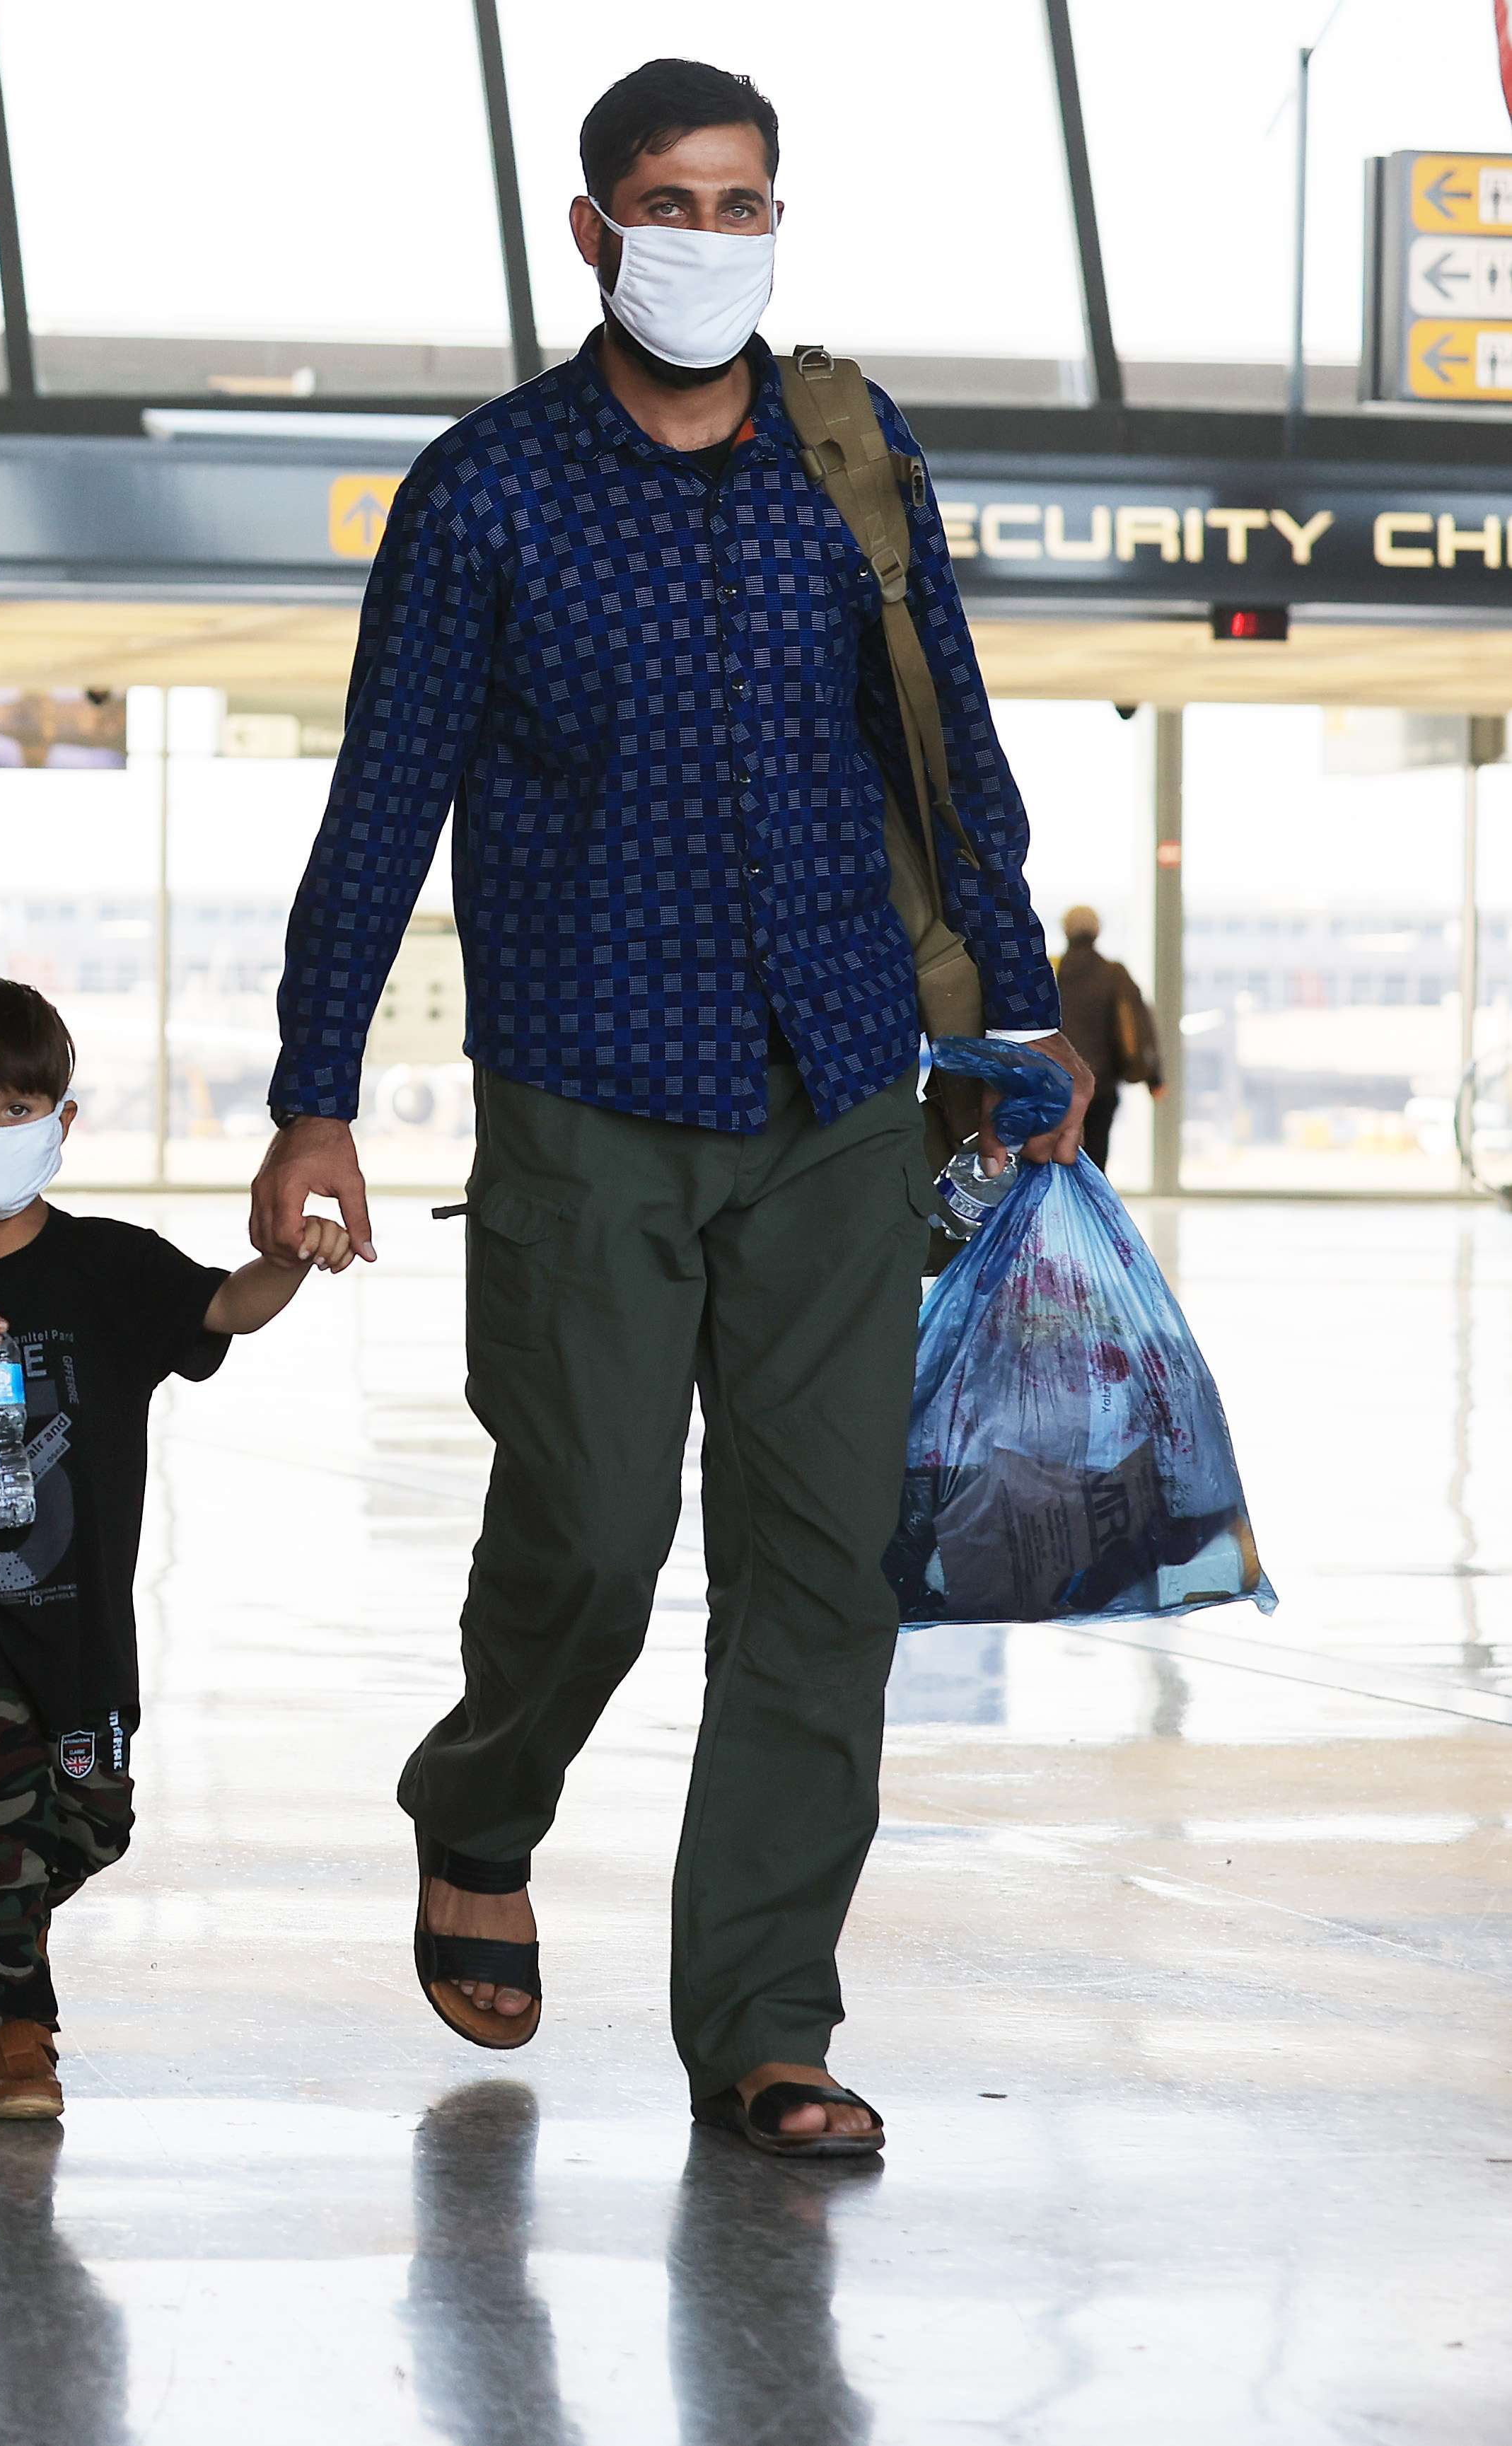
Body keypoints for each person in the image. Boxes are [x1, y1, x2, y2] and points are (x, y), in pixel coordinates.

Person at [248, 58, 1093, 2160]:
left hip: (835, 1097)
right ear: (589, 231)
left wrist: (1017, 1016)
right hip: (585, 1102)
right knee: (596, 1538)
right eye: (666, 202)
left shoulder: (847, 453)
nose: (707, 239)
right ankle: (481, 1798)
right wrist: (311, 1097)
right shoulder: (488, 494)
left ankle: (764, 2023)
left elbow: (946, 747)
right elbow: (380, 804)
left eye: (741, 203)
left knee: (820, 1577)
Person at [0, 980, 352, 2121]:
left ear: (63, 1124)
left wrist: (296, 1261)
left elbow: (223, 1309)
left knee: (91, 1821)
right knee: (0, 1798)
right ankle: (19, 2038)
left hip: (82, 1610)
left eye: (19, 1107)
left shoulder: (109, 1262)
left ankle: (0, 1899)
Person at [1054, 906, 1162, 1169]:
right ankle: (1092, 1207)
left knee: (1056, 1156)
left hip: (1057, 1083)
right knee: (1096, 1155)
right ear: (1097, 931)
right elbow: (1139, 1026)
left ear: (1065, 931)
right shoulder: (1114, 975)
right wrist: (1154, 1078)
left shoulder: (1051, 972)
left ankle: (1059, 1209)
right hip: (1101, 1084)